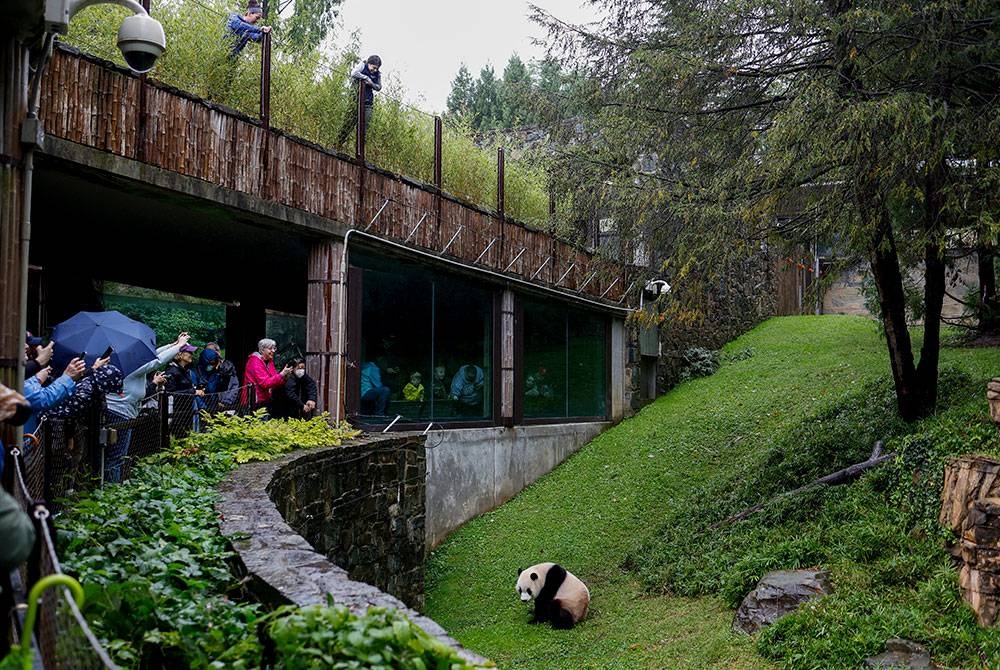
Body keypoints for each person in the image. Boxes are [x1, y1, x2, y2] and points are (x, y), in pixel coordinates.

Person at [103, 332, 189, 483]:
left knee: (117, 455)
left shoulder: (125, 360)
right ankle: (112, 488)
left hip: (124, 411)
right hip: (120, 412)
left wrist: (173, 345)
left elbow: (152, 356)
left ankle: (112, 488)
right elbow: (156, 361)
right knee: (116, 456)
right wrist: (179, 347)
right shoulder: (130, 366)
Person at [336, 54, 382, 149]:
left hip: (368, 103)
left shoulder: (378, 74)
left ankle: (358, 150)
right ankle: (337, 144)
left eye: (376, 68)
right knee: (348, 124)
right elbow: (354, 73)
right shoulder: (362, 65)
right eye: (373, 67)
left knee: (363, 128)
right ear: (369, 63)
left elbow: (378, 87)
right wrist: (366, 78)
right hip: (355, 100)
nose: (375, 70)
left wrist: (371, 83)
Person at [242, 338, 293, 416]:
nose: (273, 351)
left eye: (274, 348)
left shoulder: (269, 361)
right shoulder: (254, 362)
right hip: (254, 402)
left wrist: (284, 377)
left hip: (265, 400)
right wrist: (281, 374)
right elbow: (265, 383)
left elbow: (274, 381)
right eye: (270, 348)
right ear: (262, 350)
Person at [203, 342, 240, 408]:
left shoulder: (228, 367)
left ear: (218, 352)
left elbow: (234, 386)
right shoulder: (205, 368)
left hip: (225, 405)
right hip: (209, 405)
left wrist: (225, 402)